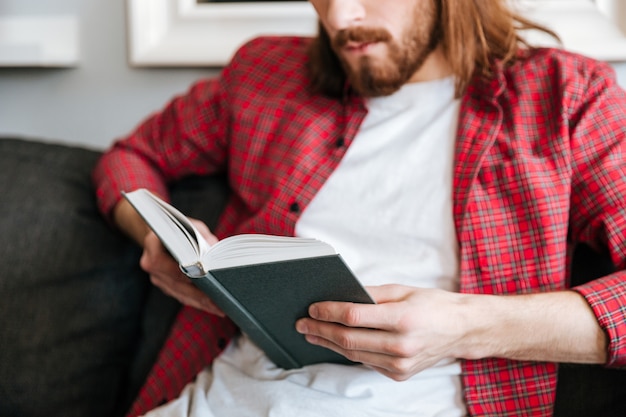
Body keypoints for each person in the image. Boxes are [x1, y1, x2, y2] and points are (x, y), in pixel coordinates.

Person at [93, 0, 626, 416]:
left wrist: (467, 325)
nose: (339, 18)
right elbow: (129, 157)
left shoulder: (567, 97)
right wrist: (154, 235)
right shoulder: (265, 74)